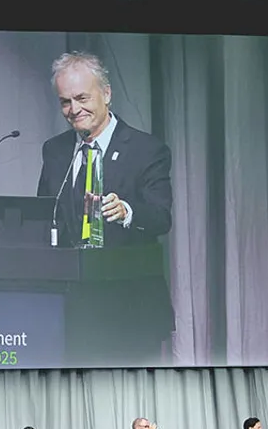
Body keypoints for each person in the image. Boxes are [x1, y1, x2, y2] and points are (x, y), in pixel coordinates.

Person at [36, 51, 174, 366]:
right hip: (71, 309)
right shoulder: (55, 151)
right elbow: (46, 216)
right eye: (65, 102)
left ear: (107, 93)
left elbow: (161, 217)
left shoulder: (146, 149)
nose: (74, 110)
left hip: (131, 308)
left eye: (82, 98)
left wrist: (127, 211)